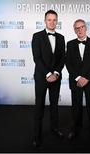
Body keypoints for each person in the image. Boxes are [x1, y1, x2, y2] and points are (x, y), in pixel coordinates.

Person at [31, 10, 65, 147]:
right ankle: (36, 135)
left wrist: (56, 73)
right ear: (45, 21)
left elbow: (63, 58)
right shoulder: (37, 36)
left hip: (56, 78)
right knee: (39, 106)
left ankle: (54, 128)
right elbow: (37, 58)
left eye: (54, 20)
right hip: (41, 77)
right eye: (49, 19)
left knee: (54, 105)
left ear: (57, 21)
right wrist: (48, 74)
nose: (52, 22)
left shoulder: (61, 37)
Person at [66, 19, 90, 142]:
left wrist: (87, 78)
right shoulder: (70, 44)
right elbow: (68, 63)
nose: (79, 30)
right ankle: (75, 130)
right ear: (74, 30)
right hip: (76, 81)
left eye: (81, 27)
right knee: (76, 107)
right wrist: (78, 78)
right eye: (77, 28)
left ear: (86, 28)